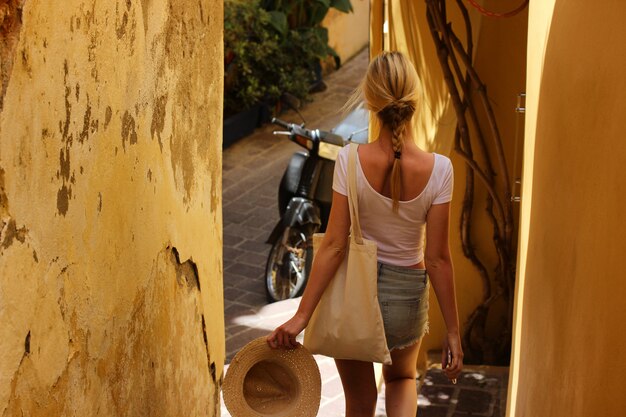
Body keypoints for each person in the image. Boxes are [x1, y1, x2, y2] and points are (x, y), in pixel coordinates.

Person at [267, 51, 463, 417]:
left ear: (371, 101)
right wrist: (453, 331)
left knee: (359, 403)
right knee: (402, 380)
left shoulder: (350, 160)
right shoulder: (441, 170)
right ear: (414, 100)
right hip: (407, 294)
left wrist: (302, 316)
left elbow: (335, 246)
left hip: (355, 292)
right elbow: (437, 259)